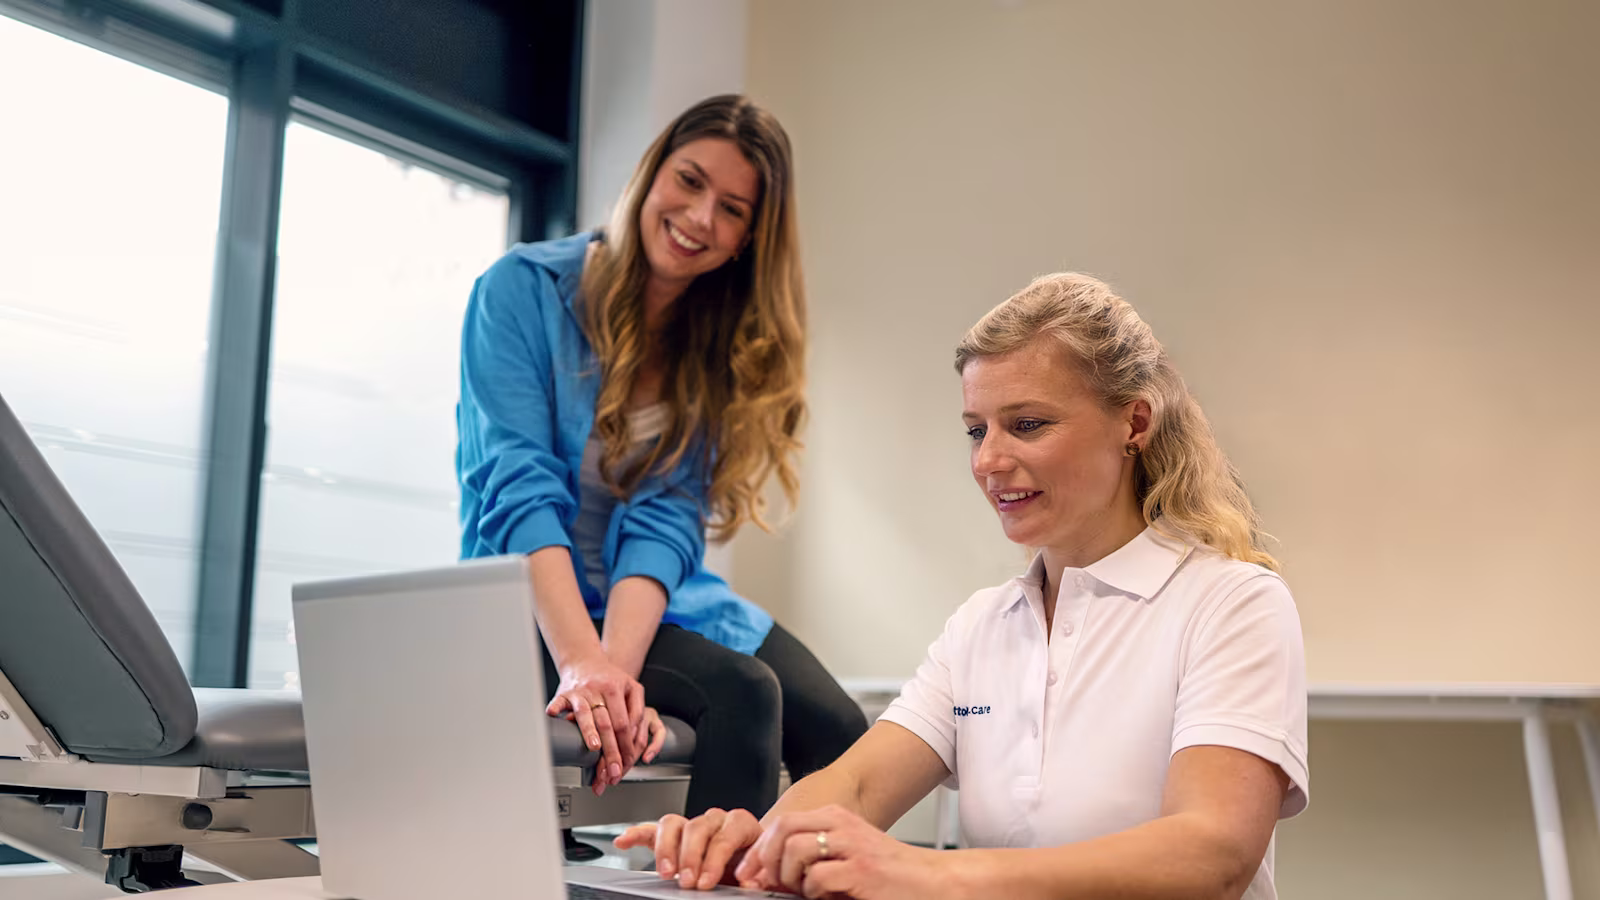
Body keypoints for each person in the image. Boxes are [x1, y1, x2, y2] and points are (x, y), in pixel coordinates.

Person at [617, 272, 1310, 899]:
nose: (989, 460)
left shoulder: (1233, 604)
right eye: (976, 430)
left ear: (1133, 422)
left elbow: (1212, 854)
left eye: (1027, 425)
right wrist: (756, 840)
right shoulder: (983, 625)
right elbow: (854, 786)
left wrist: (927, 871)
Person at [454, 95, 868, 851]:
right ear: (651, 175)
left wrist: (616, 667)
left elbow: (662, 522)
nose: (701, 216)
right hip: (534, 597)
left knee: (844, 732)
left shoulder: (710, 349)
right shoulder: (518, 291)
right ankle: (705, 875)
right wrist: (582, 663)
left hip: (645, 603)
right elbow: (517, 492)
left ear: (749, 237)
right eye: (689, 180)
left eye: (733, 208)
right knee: (742, 692)